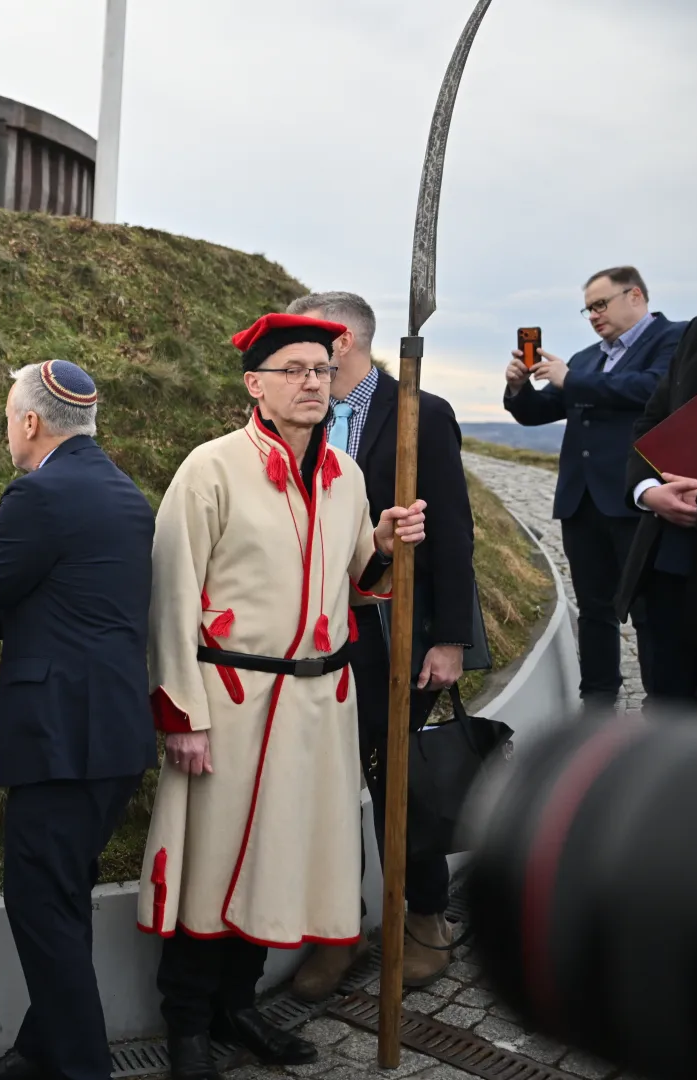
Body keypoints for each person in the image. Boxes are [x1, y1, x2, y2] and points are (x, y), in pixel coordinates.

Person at [139, 314, 426, 1080]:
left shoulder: (347, 477)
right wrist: (182, 717)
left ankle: (240, 1007)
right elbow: (170, 597)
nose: (311, 384)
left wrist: (385, 547)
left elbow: (357, 588)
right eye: (294, 370)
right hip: (229, 702)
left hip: (316, 707)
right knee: (213, 866)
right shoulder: (210, 469)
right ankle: (189, 1024)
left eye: (321, 371)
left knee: (280, 860)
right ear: (254, 385)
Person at [0, 360, 157, 1080]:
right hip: (112, 733)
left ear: (29, 422)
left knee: (41, 909)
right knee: (62, 897)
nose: (6, 433)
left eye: (7, 418)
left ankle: (81, 1069)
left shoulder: (39, 494)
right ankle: (39, 1054)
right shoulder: (124, 492)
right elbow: (63, 594)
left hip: (59, 738)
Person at [285, 292, 480, 995]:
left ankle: (425, 922)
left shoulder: (418, 414)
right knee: (325, 787)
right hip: (315, 634)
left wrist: (452, 639)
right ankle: (338, 932)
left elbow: (453, 531)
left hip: (394, 634)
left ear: (341, 341)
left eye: (307, 341)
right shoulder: (297, 411)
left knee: (400, 782)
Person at [503, 268, 684, 708]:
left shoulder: (674, 339)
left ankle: (660, 706)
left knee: (649, 611)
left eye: (600, 304)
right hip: (581, 501)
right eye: (588, 308)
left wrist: (571, 379)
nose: (593, 316)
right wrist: (518, 387)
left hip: (637, 496)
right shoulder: (585, 358)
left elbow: (652, 389)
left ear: (635, 295)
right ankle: (598, 699)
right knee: (594, 607)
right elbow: (538, 412)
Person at [617, 318, 697, 709]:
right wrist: (648, 492)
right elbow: (652, 422)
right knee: (666, 711)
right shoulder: (696, 332)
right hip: (668, 568)